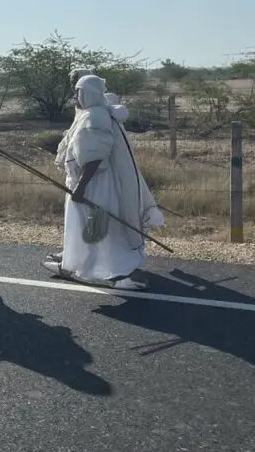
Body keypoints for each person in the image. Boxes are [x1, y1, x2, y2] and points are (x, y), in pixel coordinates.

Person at [43, 74, 164, 290]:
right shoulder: (91, 113)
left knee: (99, 228)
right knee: (88, 229)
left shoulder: (94, 117)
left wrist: (81, 187)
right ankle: (80, 263)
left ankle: (118, 272)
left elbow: (95, 156)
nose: (75, 96)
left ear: (86, 93)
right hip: (89, 182)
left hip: (94, 184)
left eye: (78, 92)